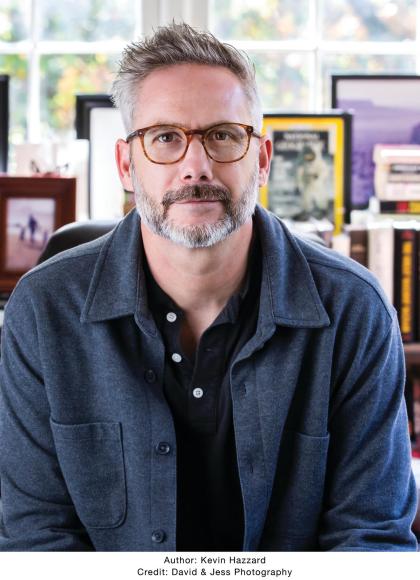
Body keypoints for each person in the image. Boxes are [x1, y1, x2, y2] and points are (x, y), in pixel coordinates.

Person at [0, 22, 417, 552]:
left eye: (223, 135)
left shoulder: (355, 310)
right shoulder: (43, 310)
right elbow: (36, 541)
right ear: (126, 165)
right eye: (165, 138)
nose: (195, 167)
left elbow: (371, 539)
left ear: (261, 160)